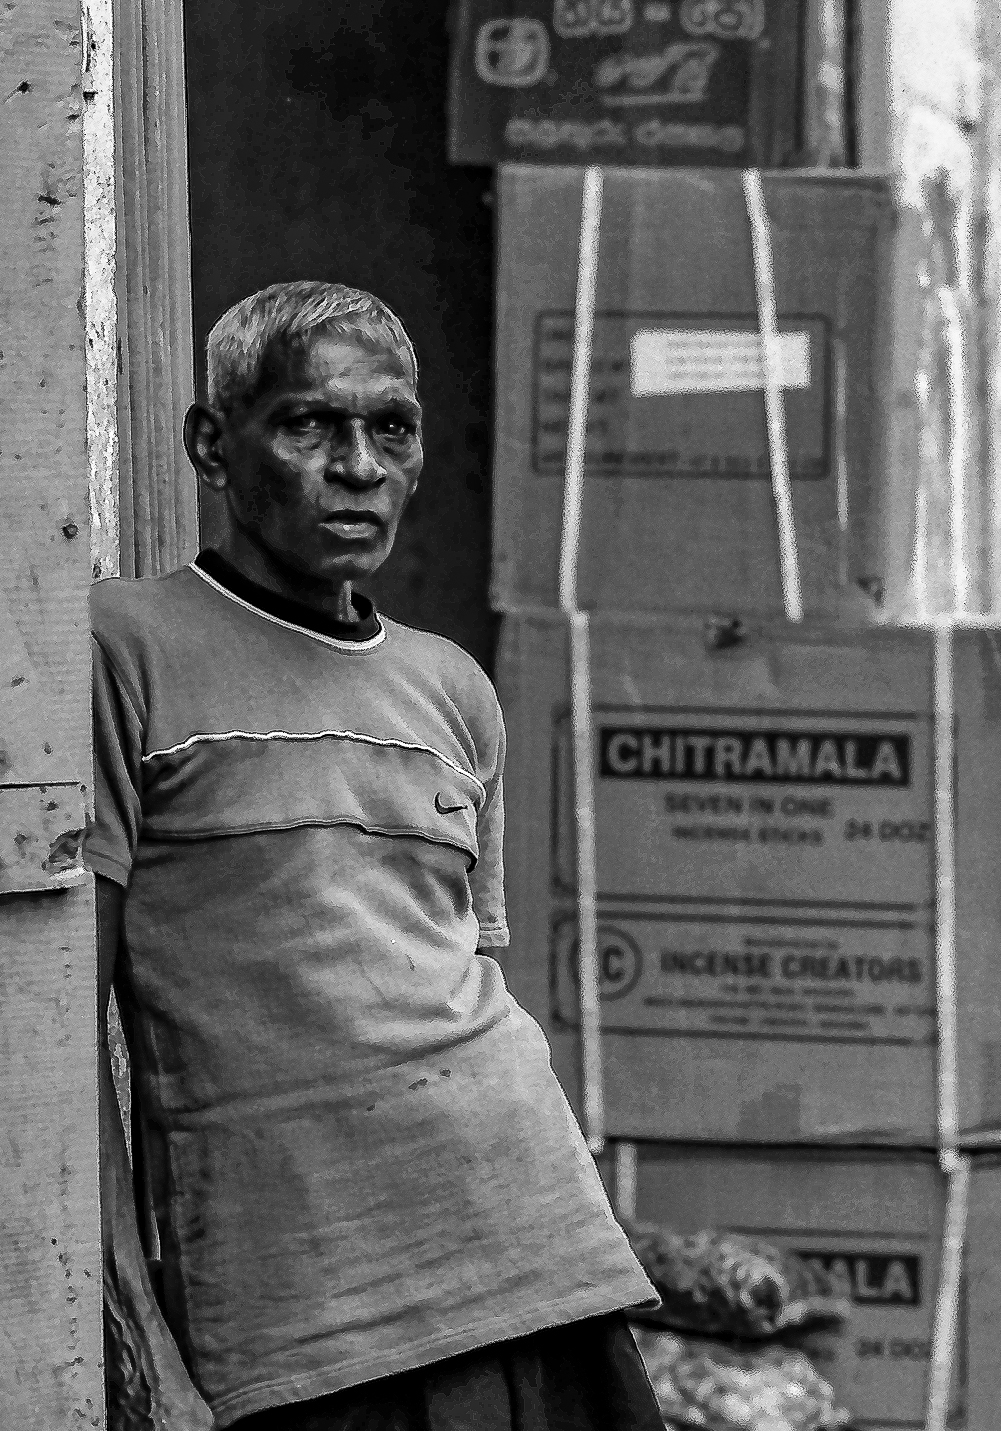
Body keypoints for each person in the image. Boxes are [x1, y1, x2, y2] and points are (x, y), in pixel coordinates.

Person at [94, 283, 660, 1430]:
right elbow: (53, 1024)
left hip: (531, 1245)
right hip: (302, 1301)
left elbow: (460, 974)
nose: (357, 464)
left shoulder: (452, 687)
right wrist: (131, 1320)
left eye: (389, 428)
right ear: (213, 445)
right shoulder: (121, 648)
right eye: (308, 425)